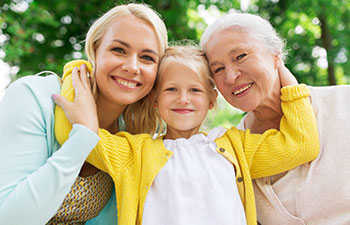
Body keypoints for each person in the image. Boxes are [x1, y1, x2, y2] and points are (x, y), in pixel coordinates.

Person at [54, 44, 319, 225]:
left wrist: (287, 81)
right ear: (155, 99)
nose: (183, 99)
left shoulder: (236, 146)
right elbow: (71, 133)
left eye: (195, 90)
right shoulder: (134, 154)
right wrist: (77, 71)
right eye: (171, 89)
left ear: (211, 100)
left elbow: (302, 145)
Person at [0, 3, 167, 225]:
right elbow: (11, 219)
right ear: (95, 50)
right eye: (119, 50)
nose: (132, 66)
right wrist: (84, 135)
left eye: (147, 58)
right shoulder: (34, 97)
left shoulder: (131, 137)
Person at [201, 12, 350, 225]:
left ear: (275, 56)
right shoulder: (233, 151)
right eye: (218, 69)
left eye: (240, 56)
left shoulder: (345, 103)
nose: (231, 76)